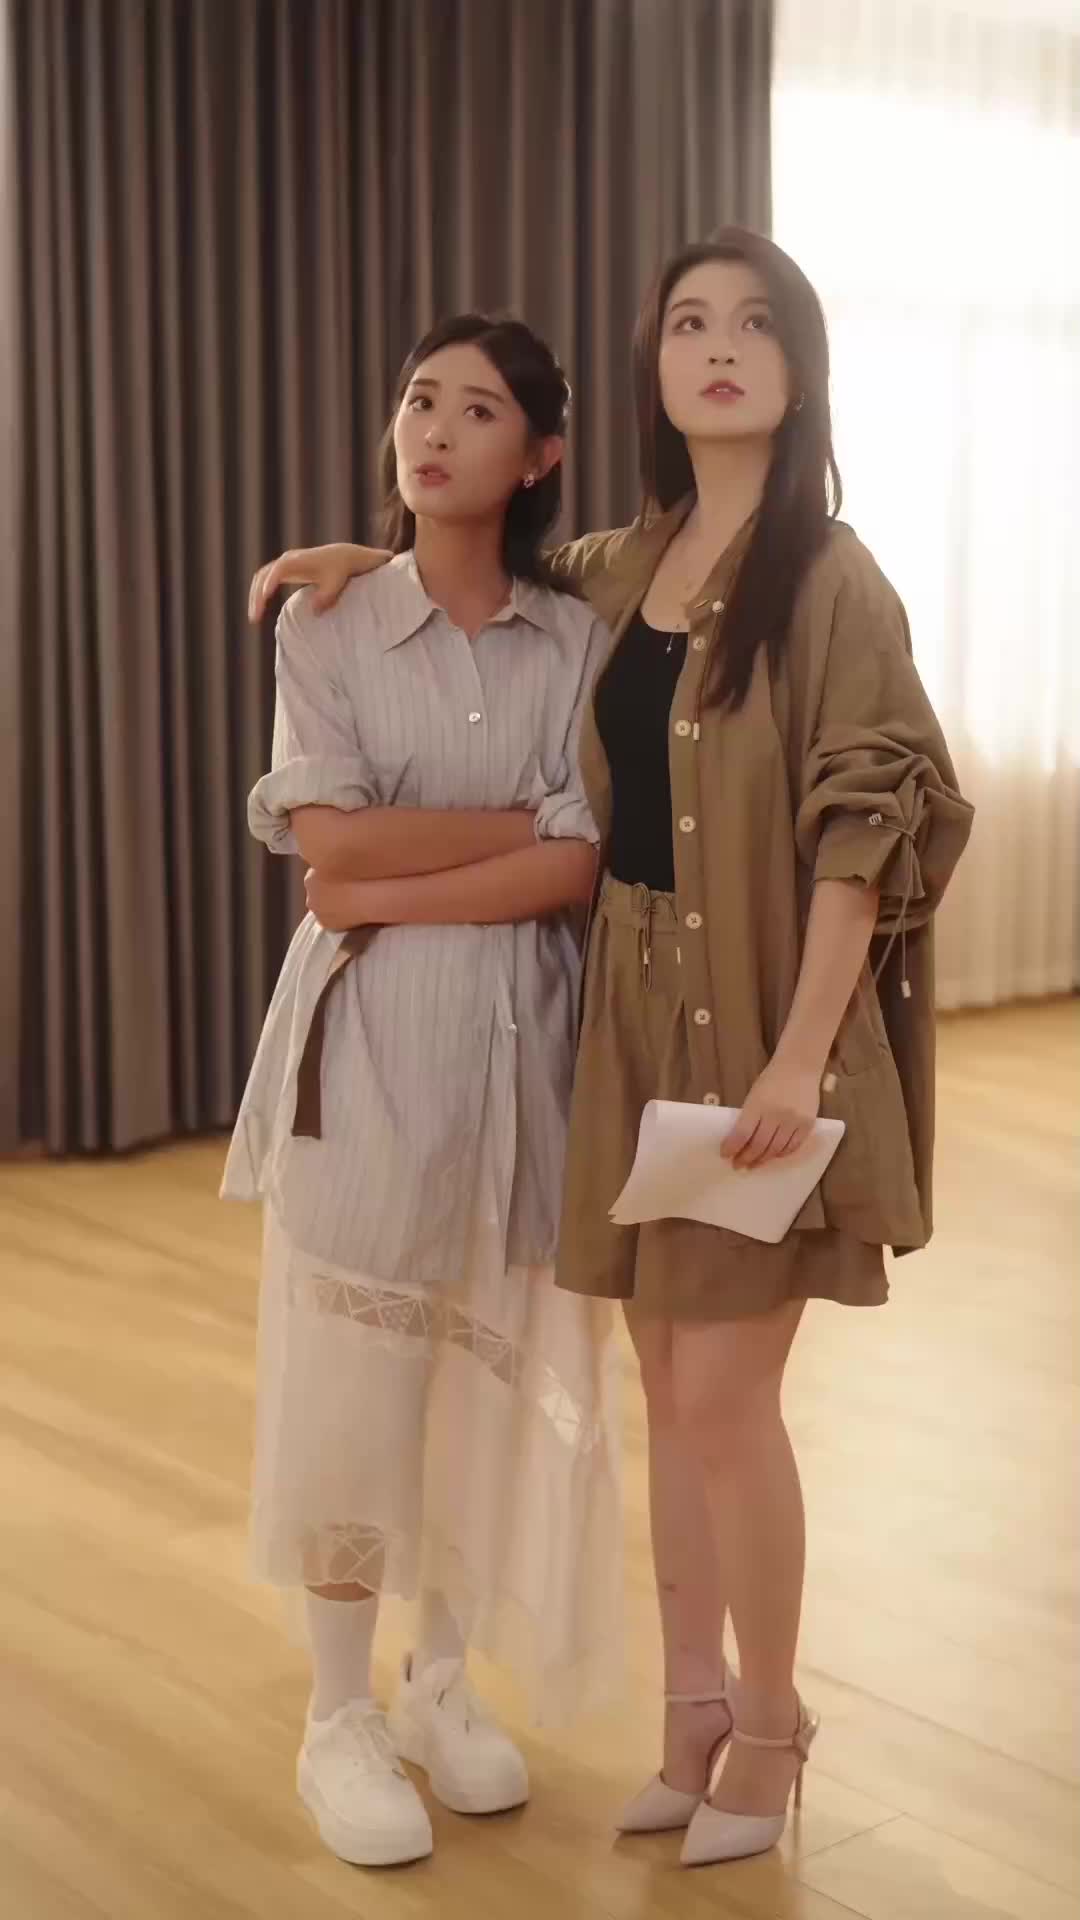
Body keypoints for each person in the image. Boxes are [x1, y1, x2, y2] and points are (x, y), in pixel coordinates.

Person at [249, 229, 973, 1870]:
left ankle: (771, 1733)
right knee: (665, 1393)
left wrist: (796, 1061)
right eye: (689, 322)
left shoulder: (832, 578)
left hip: (766, 1030)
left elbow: (864, 833)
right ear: (652, 368)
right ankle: (689, 1722)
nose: (718, 347)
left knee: (724, 1401)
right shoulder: (619, 568)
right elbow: (472, 567)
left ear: (799, 365)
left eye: (753, 324)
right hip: (632, 1033)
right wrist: (362, 556)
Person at [228, 313, 621, 1870]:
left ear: (540, 455)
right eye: (416, 400)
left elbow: (581, 864)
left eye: (475, 410)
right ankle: (337, 1713)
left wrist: (387, 880)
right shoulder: (325, 623)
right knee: (355, 1387)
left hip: (525, 1050)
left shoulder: (575, 638)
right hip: (370, 1052)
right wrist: (504, 835)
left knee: (477, 1375)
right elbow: (326, 845)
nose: (432, 430)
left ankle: (440, 1679)